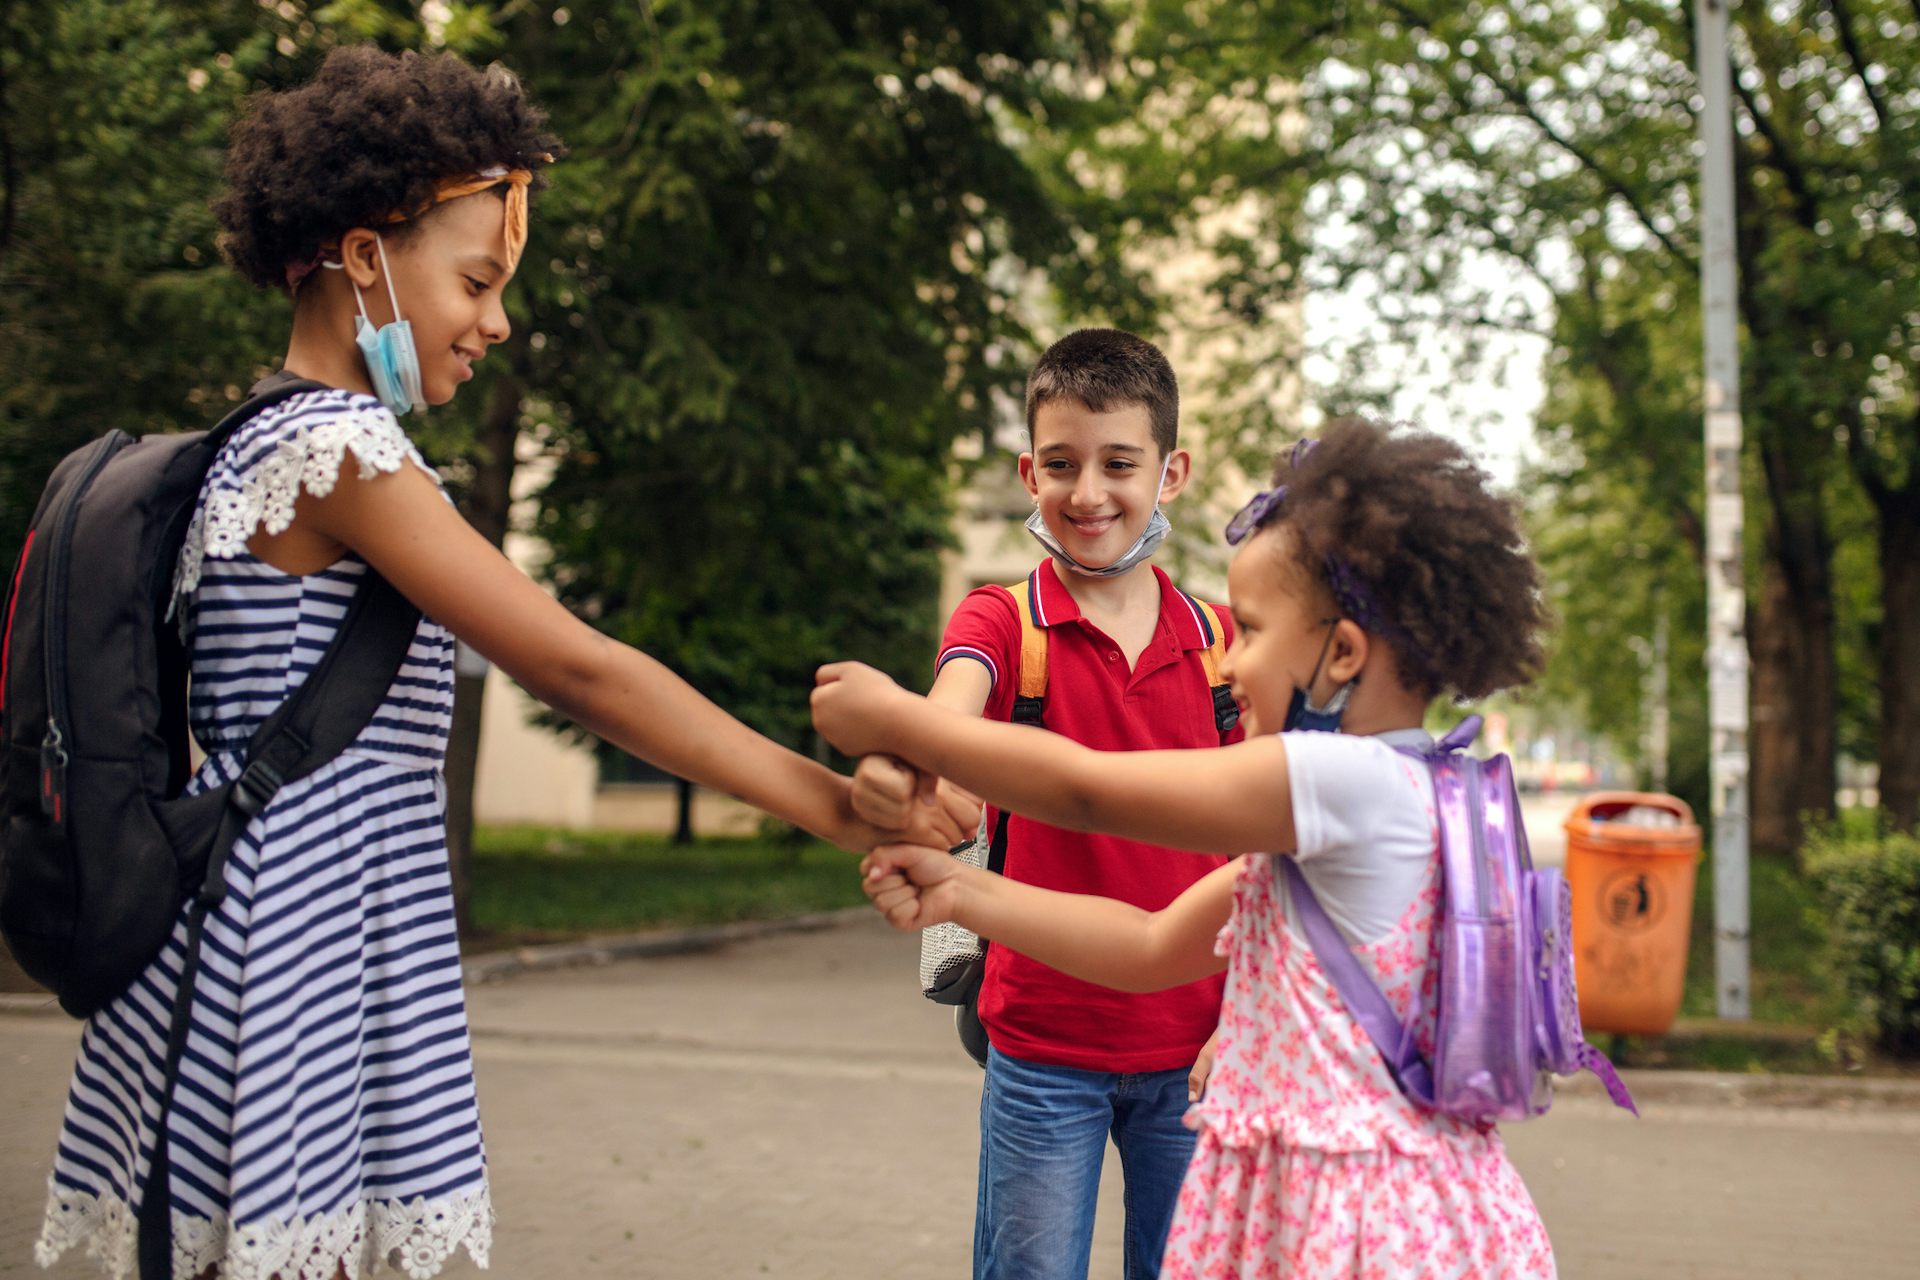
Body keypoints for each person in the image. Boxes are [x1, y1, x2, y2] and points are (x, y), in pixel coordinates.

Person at [33, 46, 957, 1280]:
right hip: (287, 943)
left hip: (283, 927)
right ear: (366, 255)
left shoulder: (264, 434)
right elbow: (579, 670)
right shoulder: (341, 448)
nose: (497, 318)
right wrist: (836, 806)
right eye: (477, 277)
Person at [813, 417, 1561, 1278]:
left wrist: (899, 719)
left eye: (1250, 631)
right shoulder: (1382, 804)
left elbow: (1089, 790)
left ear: (1342, 652)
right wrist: (956, 891)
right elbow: (1147, 947)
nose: (1231, 660)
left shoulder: (1344, 786)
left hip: (1361, 1226)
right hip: (1357, 1208)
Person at [849, 328, 1241, 1280]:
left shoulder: (1226, 646)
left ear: (1172, 471)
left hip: (1199, 1053)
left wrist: (1249, 1023)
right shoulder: (999, 620)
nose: (1089, 494)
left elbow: (1267, 858)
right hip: (1041, 1048)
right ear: (1030, 471)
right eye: (1062, 464)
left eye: (1120, 463)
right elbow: (947, 724)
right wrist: (912, 772)